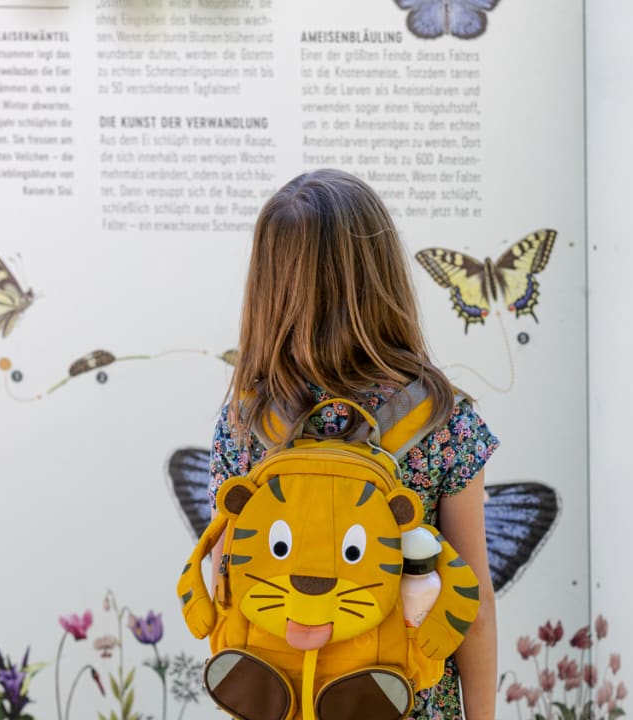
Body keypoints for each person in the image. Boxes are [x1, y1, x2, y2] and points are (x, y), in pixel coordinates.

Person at [207, 168, 499, 720]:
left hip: (289, 701)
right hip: (403, 700)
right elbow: (474, 606)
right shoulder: (443, 417)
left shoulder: (245, 421)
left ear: (267, 285)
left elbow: (229, 588)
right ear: (383, 273)